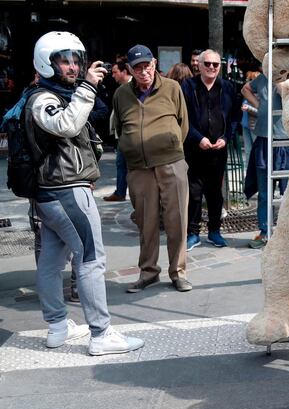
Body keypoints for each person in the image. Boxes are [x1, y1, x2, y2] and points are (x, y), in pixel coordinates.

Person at [25, 31, 144, 355]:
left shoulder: (46, 94)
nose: (73, 67)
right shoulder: (43, 99)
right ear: (46, 63)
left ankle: (58, 326)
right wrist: (88, 87)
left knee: (51, 262)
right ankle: (101, 333)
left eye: (76, 60)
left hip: (51, 194)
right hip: (66, 192)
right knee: (91, 259)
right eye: (65, 60)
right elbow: (65, 125)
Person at [113, 44, 192, 293]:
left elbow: (183, 124)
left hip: (171, 164)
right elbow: (119, 128)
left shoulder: (172, 88)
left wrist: (169, 147)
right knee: (145, 222)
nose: (143, 71)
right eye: (137, 68)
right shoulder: (121, 95)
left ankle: (178, 272)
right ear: (130, 70)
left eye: (146, 65)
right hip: (138, 168)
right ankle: (148, 272)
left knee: (176, 220)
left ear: (154, 64)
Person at [181, 49, 242, 250]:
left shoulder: (228, 88)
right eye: (207, 63)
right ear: (198, 64)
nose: (212, 68)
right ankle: (193, 233)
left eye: (216, 64)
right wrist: (197, 138)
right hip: (194, 149)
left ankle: (215, 231)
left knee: (215, 193)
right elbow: (183, 118)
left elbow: (234, 118)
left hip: (218, 150)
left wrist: (226, 138)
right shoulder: (187, 87)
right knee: (194, 192)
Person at [241, 72, 289, 247]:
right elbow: (245, 89)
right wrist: (260, 106)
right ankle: (265, 231)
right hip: (265, 139)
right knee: (264, 192)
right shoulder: (264, 76)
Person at [104, 58, 132, 202]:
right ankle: (120, 191)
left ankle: (122, 192)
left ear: (124, 72)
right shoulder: (122, 89)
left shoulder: (133, 87)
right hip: (122, 134)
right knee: (121, 163)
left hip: (129, 134)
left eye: (115, 72)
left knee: (125, 164)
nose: (113, 75)